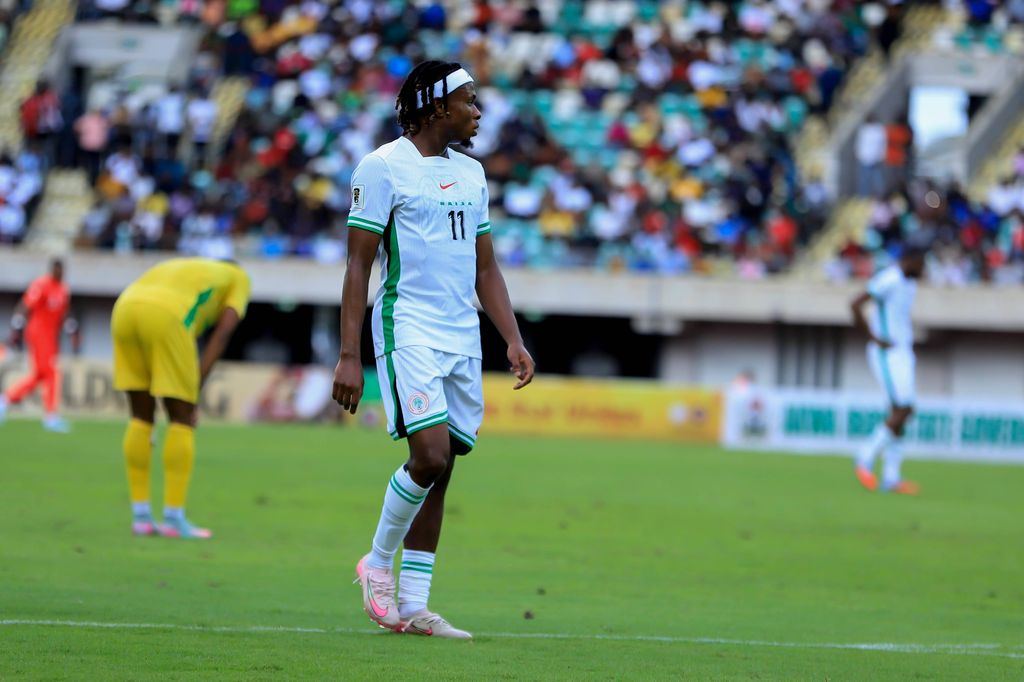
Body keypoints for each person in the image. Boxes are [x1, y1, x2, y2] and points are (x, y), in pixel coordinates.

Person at [332, 61, 535, 639]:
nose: (478, 111)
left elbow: (486, 266)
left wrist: (513, 339)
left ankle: (415, 606)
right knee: (428, 457)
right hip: (408, 324)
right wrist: (350, 354)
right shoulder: (381, 167)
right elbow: (357, 265)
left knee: (444, 468)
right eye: (470, 101)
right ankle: (376, 562)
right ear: (437, 106)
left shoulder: (472, 174)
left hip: (461, 333)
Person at [111, 257, 250, 539]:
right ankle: (174, 518)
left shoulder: (191, 267)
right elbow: (223, 333)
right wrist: (194, 388)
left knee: (140, 417)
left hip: (124, 307)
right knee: (181, 419)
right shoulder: (238, 277)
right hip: (167, 315)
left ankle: (141, 517)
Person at [849, 245, 927, 495]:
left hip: (903, 352)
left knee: (899, 413)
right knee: (905, 408)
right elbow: (855, 304)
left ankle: (892, 478)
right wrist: (873, 337)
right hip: (888, 353)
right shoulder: (889, 279)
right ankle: (865, 456)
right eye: (922, 263)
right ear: (910, 259)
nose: (924, 269)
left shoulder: (910, 283)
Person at [0, 258, 78, 431]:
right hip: (38, 332)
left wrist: (70, 328)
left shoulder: (64, 289)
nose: (60, 273)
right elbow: (25, 305)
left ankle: (5, 400)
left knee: (40, 375)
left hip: (52, 336)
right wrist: (16, 326)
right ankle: (51, 416)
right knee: (50, 372)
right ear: (52, 270)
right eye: (57, 270)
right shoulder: (41, 284)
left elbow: (64, 313)